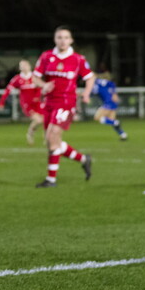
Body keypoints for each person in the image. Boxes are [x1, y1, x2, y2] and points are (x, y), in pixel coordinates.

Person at [32, 26, 95, 188]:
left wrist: (86, 94)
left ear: (71, 40)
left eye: (66, 37)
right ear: (55, 39)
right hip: (49, 103)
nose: (62, 40)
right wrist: (43, 85)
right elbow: (35, 77)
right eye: (59, 37)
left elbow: (89, 77)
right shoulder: (46, 57)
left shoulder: (78, 59)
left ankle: (51, 180)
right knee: (52, 142)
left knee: (52, 137)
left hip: (66, 103)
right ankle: (83, 159)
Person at [0, 59, 44, 145]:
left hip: (38, 103)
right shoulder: (17, 79)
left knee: (45, 120)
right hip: (27, 104)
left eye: (25, 65)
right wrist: (1, 102)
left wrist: (38, 96)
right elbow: (7, 90)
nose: (24, 67)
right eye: (21, 66)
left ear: (29, 66)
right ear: (20, 68)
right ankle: (30, 133)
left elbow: (41, 88)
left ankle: (47, 137)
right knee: (38, 120)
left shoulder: (35, 77)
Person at [92, 70, 127, 140]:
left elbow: (92, 92)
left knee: (97, 118)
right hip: (113, 103)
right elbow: (112, 88)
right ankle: (123, 135)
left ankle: (116, 122)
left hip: (108, 103)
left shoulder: (98, 83)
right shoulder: (107, 84)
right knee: (112, 122)